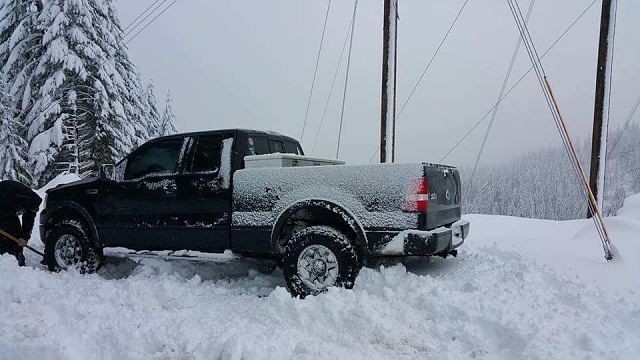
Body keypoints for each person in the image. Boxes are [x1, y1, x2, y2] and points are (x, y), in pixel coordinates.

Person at [0, 180, 42, 266]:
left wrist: (24, 237)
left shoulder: (29, 200)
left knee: (14, 232)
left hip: (8, 209)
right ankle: (8, 258)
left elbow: (29, 219)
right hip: (4, 204)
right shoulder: (27, 198)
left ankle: (15, 257)